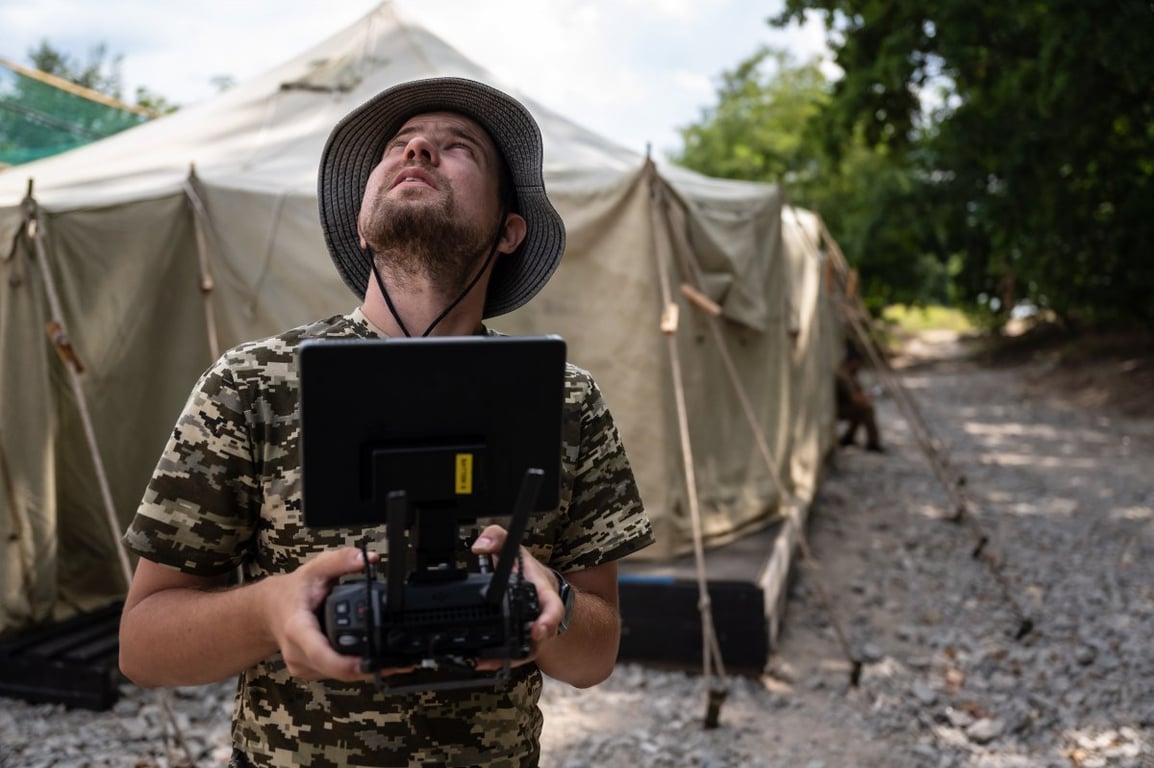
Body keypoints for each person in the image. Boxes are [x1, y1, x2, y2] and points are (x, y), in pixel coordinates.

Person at [118, 77, 655, 767]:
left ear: (510, 229)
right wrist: (269, 609)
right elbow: (143, 645)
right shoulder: (253, 385)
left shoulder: (565, 402)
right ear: (363, 222)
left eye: (458, 148)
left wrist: (549, 602)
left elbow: (594, 655)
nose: (419, 150)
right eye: (398, 146)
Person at [835, 343, 884, 452]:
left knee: (864, 409)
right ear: (853, 362)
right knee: (866, 410)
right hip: (839, 409)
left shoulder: (850, 375)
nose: (860, 366)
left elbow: (858, 391)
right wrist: (869, 396)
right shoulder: (843, 377)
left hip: (845, 406)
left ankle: (849, 437)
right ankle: (873, 443)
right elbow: (854, 399)